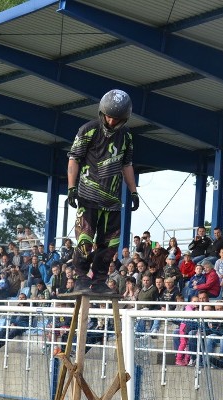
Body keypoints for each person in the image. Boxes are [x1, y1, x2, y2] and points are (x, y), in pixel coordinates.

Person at [67, 89, 139, 293]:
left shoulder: (126, 137)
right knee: (84, 241)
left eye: (116, 118)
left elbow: (127, 164)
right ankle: (81, 279)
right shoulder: (88, 130)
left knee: (109, 247)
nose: (111, 121)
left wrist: (133, 192)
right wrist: (71, 188)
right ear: (101, 112)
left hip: (113, 201)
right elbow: (74, 159)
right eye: (108, 116)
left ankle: (99, 281)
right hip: (88, 196)